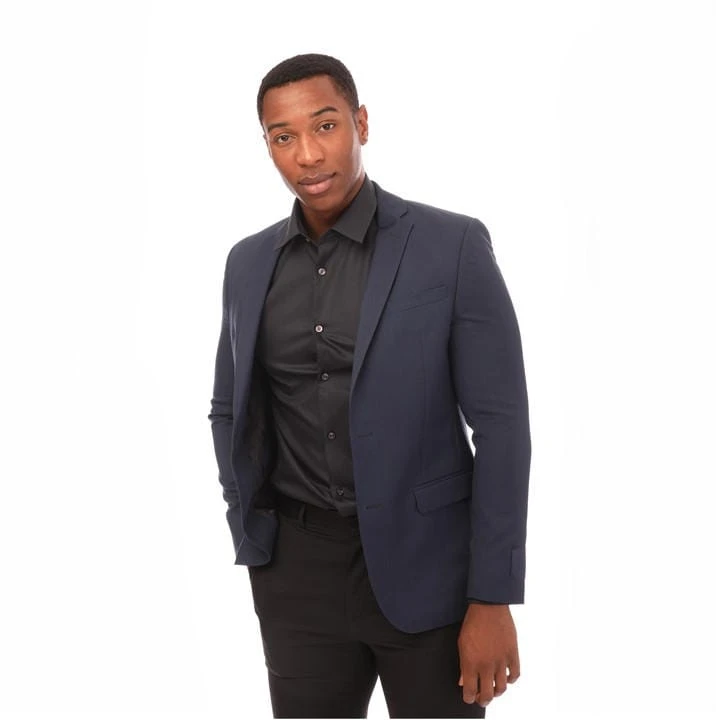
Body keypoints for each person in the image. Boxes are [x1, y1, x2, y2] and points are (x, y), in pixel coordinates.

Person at [208, 52, 531, 719]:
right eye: (283, 136)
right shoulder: (248, 263)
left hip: (430, 572)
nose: (307, 154)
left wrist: (492, 596)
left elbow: (502, 429)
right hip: (297, 579)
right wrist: (252, 534)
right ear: (266, 145)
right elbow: (229, 408)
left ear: (360, 123)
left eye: (325, 126)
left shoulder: (451, 246)